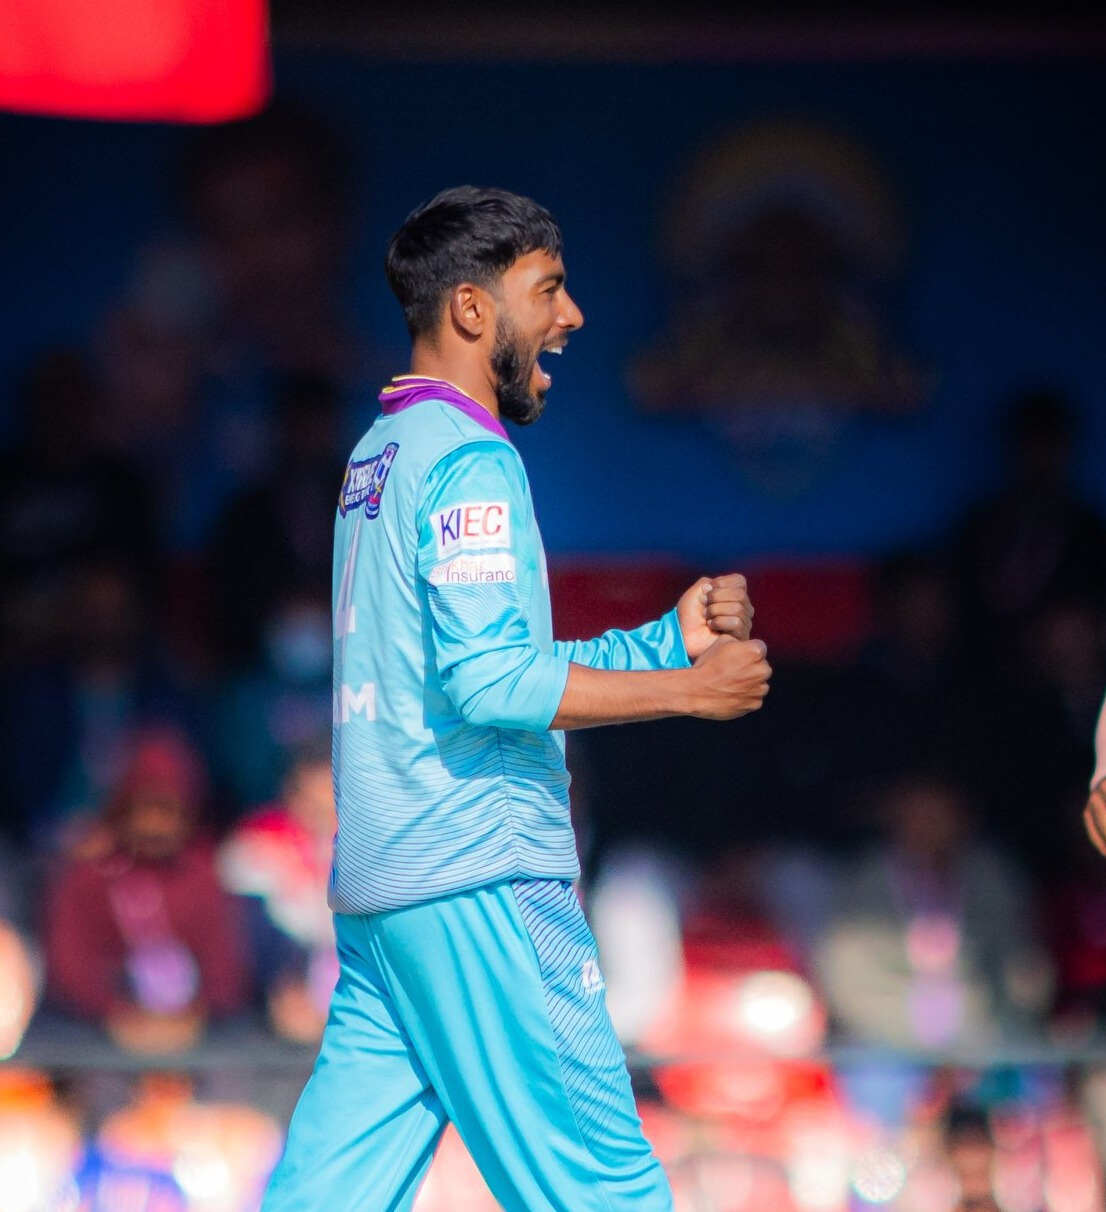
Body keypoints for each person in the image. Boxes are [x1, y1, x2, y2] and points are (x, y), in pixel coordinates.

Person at [260, 185, 772, 1212]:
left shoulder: (377, 455)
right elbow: (494, 683)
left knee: (325, 1199)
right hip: (481, 883)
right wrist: (690, 688)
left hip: (386, 898)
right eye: (548, 289)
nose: (571, 315)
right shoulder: (472, 457)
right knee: (606, 1192)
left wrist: (661, 640)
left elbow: (470, 667)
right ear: (470, 308)